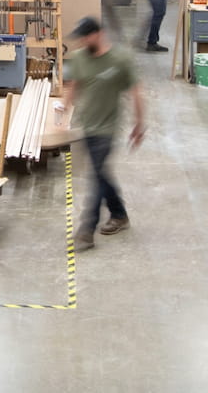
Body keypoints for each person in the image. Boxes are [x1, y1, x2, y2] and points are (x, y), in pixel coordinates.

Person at [62, 16, 144, 250]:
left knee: (96, 176)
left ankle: (87, 230)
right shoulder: (79, 58)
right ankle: (119, 214)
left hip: (108, 128)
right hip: (86, 125)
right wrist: (63, 110)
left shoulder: (120, 60)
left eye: (85, 37)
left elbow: (136, 91)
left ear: (98, 34)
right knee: (102, 174)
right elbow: (73, 85)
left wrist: (139, 124)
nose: (81, 42)